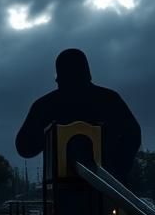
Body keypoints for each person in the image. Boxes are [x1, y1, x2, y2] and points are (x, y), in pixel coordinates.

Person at [15, 48, 141, 178]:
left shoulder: (44, 106)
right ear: (87, 72)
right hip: (106, 186)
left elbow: (24, 148)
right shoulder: (109, 99)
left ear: (58, 76)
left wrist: (47, 134)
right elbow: (133, 135)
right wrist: (116, 170)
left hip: (64, 188)